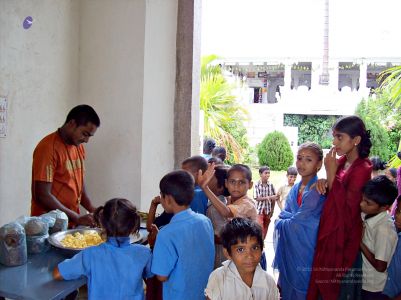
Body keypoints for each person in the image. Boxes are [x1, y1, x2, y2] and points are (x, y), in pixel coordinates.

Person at [308, 115, 373, 300]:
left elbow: (348, 210)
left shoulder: (363, 168)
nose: (334, 141)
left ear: (356, 140)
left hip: (344, 238)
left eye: (340, 137)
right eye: (334, 136)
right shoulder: (343, 162)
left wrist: (330, 173)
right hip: (330, 232)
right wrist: (324, 181)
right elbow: (333, 190)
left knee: (337, 290)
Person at [53, 198, 152, 299]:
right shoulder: (144, 253)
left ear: (102, 224)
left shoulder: (91, 254)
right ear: (133, 226)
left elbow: (57, 274)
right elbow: (154, 273)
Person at [31, 104, 100, 227]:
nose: (86, 140)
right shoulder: (47, 148)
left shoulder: (78, 147)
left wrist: (91, 208)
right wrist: (77, 217)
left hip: (70, 222)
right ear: (72, 123)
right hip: (48, 225)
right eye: (85, 134)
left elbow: (78, 181)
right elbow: (42, 195)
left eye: (89, 136)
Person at [273, 142, 326, 299]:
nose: (302, 163)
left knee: (304, 288)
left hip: (307, 249)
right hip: (291, 246)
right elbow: (290, 216)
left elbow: (296, 221)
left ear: (319, 164)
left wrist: (283, 219)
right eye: (299, 158)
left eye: (308, 160)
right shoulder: (296, 188)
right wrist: (288, 218)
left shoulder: (317, 189)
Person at [151, 170, 215, 300]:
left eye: (161, 195)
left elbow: (162, 276)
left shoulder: (166, 234)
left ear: (168, 199)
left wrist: (157, 243)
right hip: (204, 293)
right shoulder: (205, 221)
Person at [204, 218, 279, 300]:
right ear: (227, 253)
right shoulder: (218, 278)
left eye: (254, 247)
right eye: (240, 249)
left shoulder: (268, 281)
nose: (250, 256)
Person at [359, 176, 398, 299]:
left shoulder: (384, 229)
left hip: (374, 288)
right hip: (364, 281)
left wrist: (359, 242)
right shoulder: (370, 213)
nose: (361, 204)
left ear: (384, 207)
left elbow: (381, 266)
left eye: (368, 203)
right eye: (363, 199)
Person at [205, 165, 230, 269]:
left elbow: (222, 236)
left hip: (220, 257)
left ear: (220, 187)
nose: (207, 179)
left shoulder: (215, 209)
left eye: (211, 178)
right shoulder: (217, 204)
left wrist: (205, 235)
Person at [383, 195, 401, 299]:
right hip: (382, 290)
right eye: (397, 210)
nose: (397, 215)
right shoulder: (393, 224)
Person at [254, 166, 277, 239]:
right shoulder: (256, 184)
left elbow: (274, 198)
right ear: (260, 174)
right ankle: (261, 243)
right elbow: (256, 198)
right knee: (260, 228)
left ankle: (262, 242)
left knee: (266, 227)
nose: (268, 175)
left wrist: (272, 210)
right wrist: (269, 197)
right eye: (266, 173)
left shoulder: (271, 185)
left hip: (268, 210)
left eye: (269, 173)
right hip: (259, 210)